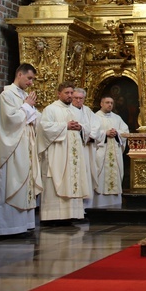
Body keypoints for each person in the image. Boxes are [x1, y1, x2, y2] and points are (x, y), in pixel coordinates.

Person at [0, 63, 43, 236]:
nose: (31, 83)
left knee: (24, 182)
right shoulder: (7, 95)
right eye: (29, 78)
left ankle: (23, 224)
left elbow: (34, 119)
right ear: (19, 74)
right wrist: (27, 107)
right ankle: (5, 226)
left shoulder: (25, 96)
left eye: (33, 79)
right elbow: (10, 120)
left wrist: (30, 110)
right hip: (11, 148)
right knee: (9, 182)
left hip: (25, 145)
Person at [38, 82, 90, 223]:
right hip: (57, 153)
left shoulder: (75, 110)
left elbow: (87, 128)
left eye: (71, 93)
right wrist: (64, 126)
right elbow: (43, 128)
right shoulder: (51, 109)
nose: (70, 95)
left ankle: (70, 216)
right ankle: (53, 217)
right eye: (67, 93)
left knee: (71, 179)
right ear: (59, 93)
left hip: (73, 155)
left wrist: (81, 128)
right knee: (56, 180)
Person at [94, 95, 129, 207]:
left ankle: (115, 203)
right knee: (101, 175)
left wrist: (116, 133)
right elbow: (92, 132)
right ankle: (98, 203)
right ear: (101, 103)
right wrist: (105, 133)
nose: (109, 105)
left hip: (115, 152)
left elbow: (125, 131)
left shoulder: (117, 118)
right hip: (101, 152)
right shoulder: (95, 117)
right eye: (107, 102)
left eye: (111, 103)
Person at [71, 88, 102, 210]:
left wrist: (89, 136)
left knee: (87, 175)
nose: (78, 101)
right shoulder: (69, 110)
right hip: (75, 148)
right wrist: (85, 131)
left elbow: (96, 126)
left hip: (87, 148)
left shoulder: (88, 111)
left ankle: (86, 208)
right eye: (76, 98)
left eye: (81, 98)